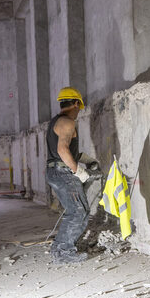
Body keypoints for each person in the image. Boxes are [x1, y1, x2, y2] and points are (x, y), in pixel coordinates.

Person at [44, 86, 99, 263]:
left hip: (55, 171)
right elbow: (62, 149)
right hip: (63, 173)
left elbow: (60, 149)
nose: (78, 112)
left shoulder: (55, 121)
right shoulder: (68, 122)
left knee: (78, 211)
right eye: (79, 107)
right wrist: (79, 171)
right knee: (78, 212)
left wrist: (84, 159)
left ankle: (62, 247)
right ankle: (63, 252)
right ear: (75, 103)